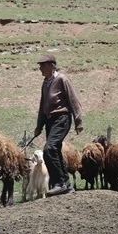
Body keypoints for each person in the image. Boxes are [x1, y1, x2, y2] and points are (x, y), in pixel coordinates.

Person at [32, 54, 83, 196]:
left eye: (43, 65)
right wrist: (39, 126)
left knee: (50, 148)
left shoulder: (62, 79)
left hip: (61, 118)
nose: (40, 68)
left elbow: (73, 99)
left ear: (52, 65)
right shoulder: (45, 82)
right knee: (53, 151)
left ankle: (60, 183)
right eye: (40, 65)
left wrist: (78, 120)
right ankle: (63, 184)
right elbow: (43, 105)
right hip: (49, 120)